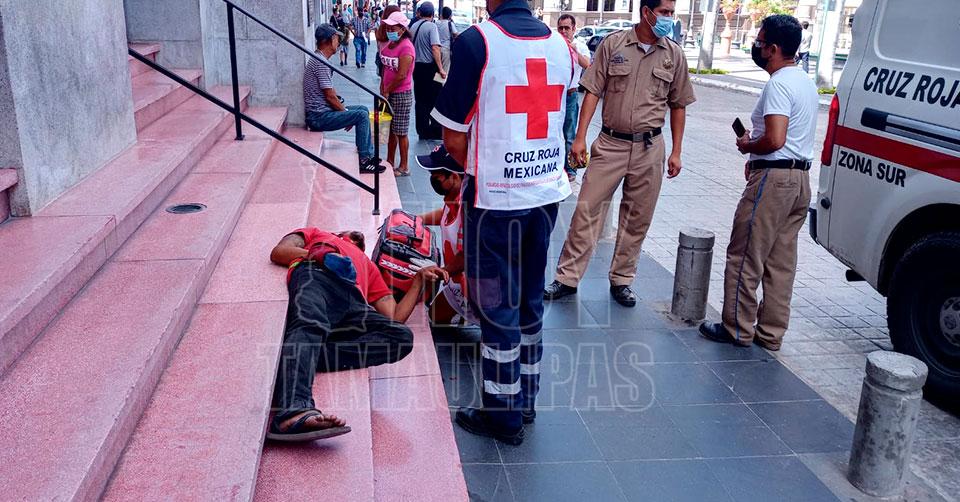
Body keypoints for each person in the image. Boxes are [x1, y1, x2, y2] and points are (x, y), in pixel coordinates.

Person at [432, 0, 574, 445]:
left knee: (496, 309)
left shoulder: (477, 42)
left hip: (495, 203)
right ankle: (525, 400)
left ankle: (503, 415)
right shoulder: (561, 46)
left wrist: (490, 169)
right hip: (545, 197)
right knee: (530, 300)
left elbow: (453, 136)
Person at [544, 0, 695, 307]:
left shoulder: (674, 55)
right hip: (610, 144)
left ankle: (622, 280)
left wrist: (677, 151)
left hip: (650, 148)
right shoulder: (614, 44)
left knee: (637, 218)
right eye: (665, 12)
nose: (669, 18)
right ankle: (567, 278)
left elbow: (678, 105)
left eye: (671, 12)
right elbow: (593, 91)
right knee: (586, 211)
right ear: (647, 12)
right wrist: (579, 138)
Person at [699, 15, 818, 352]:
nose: (757, 47)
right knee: (780, 262)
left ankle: (737, 328)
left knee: (745, 254)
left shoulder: (778, 84)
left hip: (774, 180)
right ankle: (770, 333)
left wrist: (748, 145)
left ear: (774, 49)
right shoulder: (805, 81)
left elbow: (776, 139)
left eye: (761, 42)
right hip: (799, 180)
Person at [267, 228, 449, 442]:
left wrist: (418, 281)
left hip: (353, 300)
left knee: (400, 337)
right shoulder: (318, 235)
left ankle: (303, 356)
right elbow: (279, 252)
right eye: (353, 233)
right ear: (340, 233)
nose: (359, 235)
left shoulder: (369, 266)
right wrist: (321, 256)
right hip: (316, 275)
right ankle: (293, 411)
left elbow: (394, 316)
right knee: (310, 324)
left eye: (361, 239)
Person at [304, 24, 385, 174]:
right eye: (336, 38)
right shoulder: (321, 62)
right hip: (318, 117)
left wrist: (345, 113)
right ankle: (364, 160)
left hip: (322, 112)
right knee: (361, 116)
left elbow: (330, 92)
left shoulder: (320, 59)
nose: (339, 42)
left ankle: (369, 154)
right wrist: (345, 115)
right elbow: (329, 96)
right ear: (329, 40)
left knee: (362, 109)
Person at [416, 146, 478, 326]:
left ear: (455, 177)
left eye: (436, 176)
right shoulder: (455, 197)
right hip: (456, 280)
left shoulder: (468, 209)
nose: (432, 179)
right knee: (434, 317)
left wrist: (440, 272)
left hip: (476, 286)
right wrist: (416, 219)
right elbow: (444, 215)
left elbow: (467, 256)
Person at [379, 11, 416, 176]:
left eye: (392, 28)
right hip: (387, 93)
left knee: (400, 131)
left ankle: (404, 166)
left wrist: (388, 89)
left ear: (402, 29)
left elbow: (402, 75)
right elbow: (385, 69)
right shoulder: (389, 44)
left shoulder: (407, 47)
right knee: (390, 130)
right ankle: (390, 161)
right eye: (387, 27)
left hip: (401, 94)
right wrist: (383, 87)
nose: (389, 30)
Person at [557, 14, 591, 183]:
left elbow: (589, 66)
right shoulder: (554, 45)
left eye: (567, 28)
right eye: (560, 28)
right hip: (555, 96)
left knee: (569, 133)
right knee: (554, 133)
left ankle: (571, 169)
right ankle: (556, 166)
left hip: (570, 95)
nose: (564, 31)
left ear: (574, 29)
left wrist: (574, 51)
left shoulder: (580, 46)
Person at [409, 2, 446, 140]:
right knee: (435, 99)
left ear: (420, 12)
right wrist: (441, 68)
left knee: (420, 100)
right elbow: (435, 48)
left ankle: (422, 130)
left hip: (417, 68)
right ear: (432, 14)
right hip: (429, 68)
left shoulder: (414, 26)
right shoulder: (431, 26)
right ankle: (435, 130)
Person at [437, 7, 459, 76]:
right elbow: (456, 35)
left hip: (436, 48)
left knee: (437, 68)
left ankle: (436, 81)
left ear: (441, 14)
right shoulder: (450, 24)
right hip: (446, 49)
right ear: (450, 15)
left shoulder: (436, 23)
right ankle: (442, 82)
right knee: (445, 70)